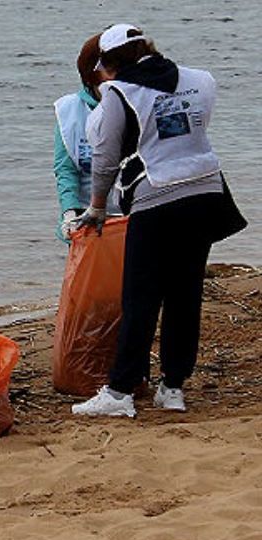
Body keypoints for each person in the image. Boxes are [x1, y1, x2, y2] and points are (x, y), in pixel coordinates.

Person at [71, 24, 246, 418]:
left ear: (111, 64)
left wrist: (97, 206)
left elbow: (104, 158)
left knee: (141, 297)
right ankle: (173, 388)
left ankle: (119, 393)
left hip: (157, 200)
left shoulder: (119, 92)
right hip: (205, 194)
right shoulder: (200, 80)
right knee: (185, 295)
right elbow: (194, 130)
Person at [53, 33, 120, 242]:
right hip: (88, 216)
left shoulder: (136, 100)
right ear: (91, 76)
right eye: (110, 71)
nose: (117, 79)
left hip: (135, 214)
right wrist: (69, 213)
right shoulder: (69, 110)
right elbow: (66, 170)